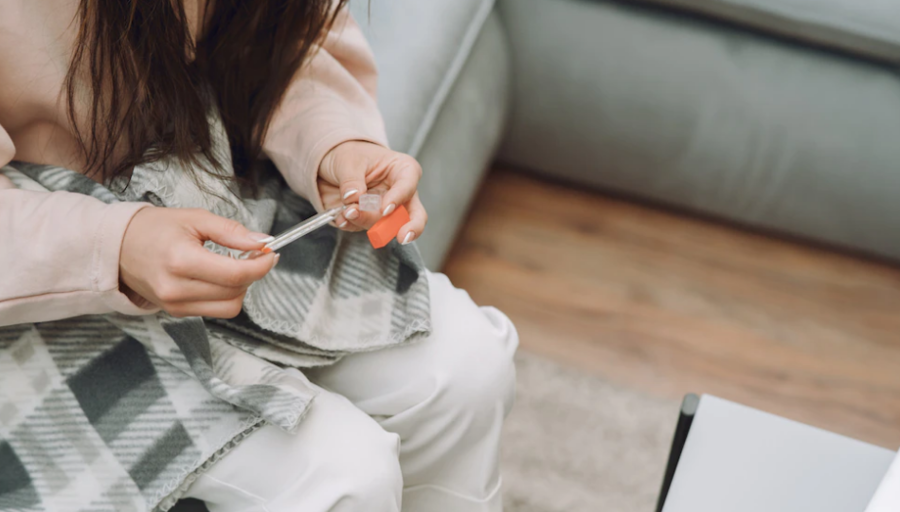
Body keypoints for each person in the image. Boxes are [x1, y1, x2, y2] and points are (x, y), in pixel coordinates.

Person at [0, 1, 517, 511]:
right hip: (36, 271)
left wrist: (334, 143)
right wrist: (115, 244)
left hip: (210, 184)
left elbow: (284, 37)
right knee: (343, 478)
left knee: (469, 368)